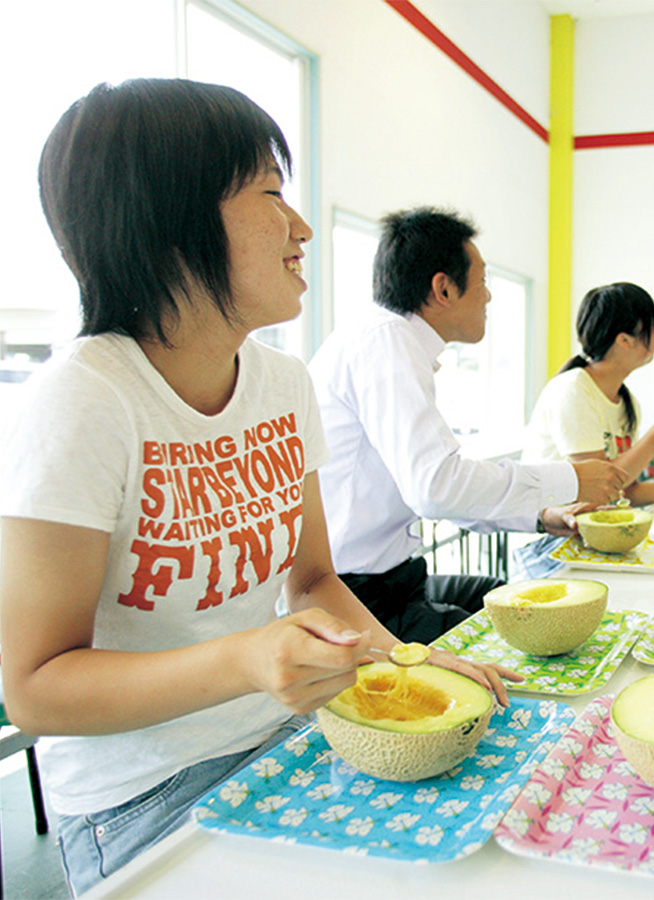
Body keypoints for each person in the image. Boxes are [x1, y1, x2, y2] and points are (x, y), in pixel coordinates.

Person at [0, 79, 517, 895]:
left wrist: (408, 657)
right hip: (142, 800)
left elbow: (311, 581)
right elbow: (33, 688)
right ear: (170, 223)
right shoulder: (84, 401)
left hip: (283, 738)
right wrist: (246, 658)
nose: (301, 228)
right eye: (272, 195)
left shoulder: (281, 383)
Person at [308, 208, 625, 643]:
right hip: (357, 596)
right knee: (519, 640)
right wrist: (570, 480)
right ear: (443, 288)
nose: (489, 297)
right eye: (483, 281)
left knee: (518, 604)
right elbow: (436, 487)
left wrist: (539, 516)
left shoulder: (391, 342)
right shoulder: (386, 342)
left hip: (395, 580)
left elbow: (436, 486)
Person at [522, 281, 654, 503]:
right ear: (624, 340)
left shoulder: (627, 402)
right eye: (652, 326)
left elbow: (625, 492)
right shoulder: (573, 390)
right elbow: (594, 489)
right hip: (554, 531)